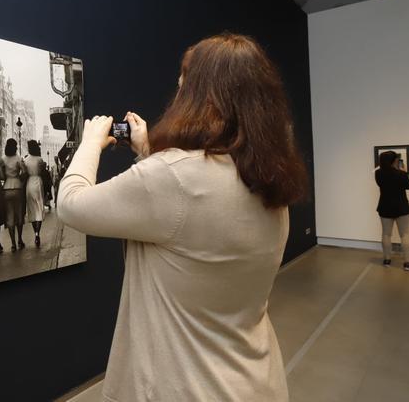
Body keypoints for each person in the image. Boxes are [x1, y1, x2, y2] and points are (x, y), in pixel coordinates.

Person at [57, 33, 309, 401]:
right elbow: (190, 222)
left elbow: (72, 203)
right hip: (255, 380)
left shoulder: (174, 177)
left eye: (182, 85)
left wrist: (90, 143)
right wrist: (149, 155)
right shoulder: (269, 180)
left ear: (197, 97)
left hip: (185, 386)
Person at [375, 151, 409, 271]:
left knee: (386, 234)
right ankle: (407, 263)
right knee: (404, 234)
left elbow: (382, 183)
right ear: (394, 161)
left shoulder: (378, 173)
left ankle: (387, 260)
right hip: (401, 206)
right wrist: (404, 172)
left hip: (384, 206)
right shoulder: (400, 174)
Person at [2, 138, 27, 250]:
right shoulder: (18, 158)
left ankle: (13, 244)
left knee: (10, 216)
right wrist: (20, 179)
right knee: (19, 215)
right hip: (17, 187)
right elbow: (25, 171)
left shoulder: (3, 159)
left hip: (6, 188)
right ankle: (20, 240)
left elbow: (2, 176)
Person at [24, 140, 48, 247]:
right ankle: (38, 232)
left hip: (29, 184)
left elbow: (24, 174)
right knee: (39, 207)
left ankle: (35, 233)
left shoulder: (25, 160)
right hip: (38, 182)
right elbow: (43, 173)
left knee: (32, 209)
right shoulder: (40, 159)